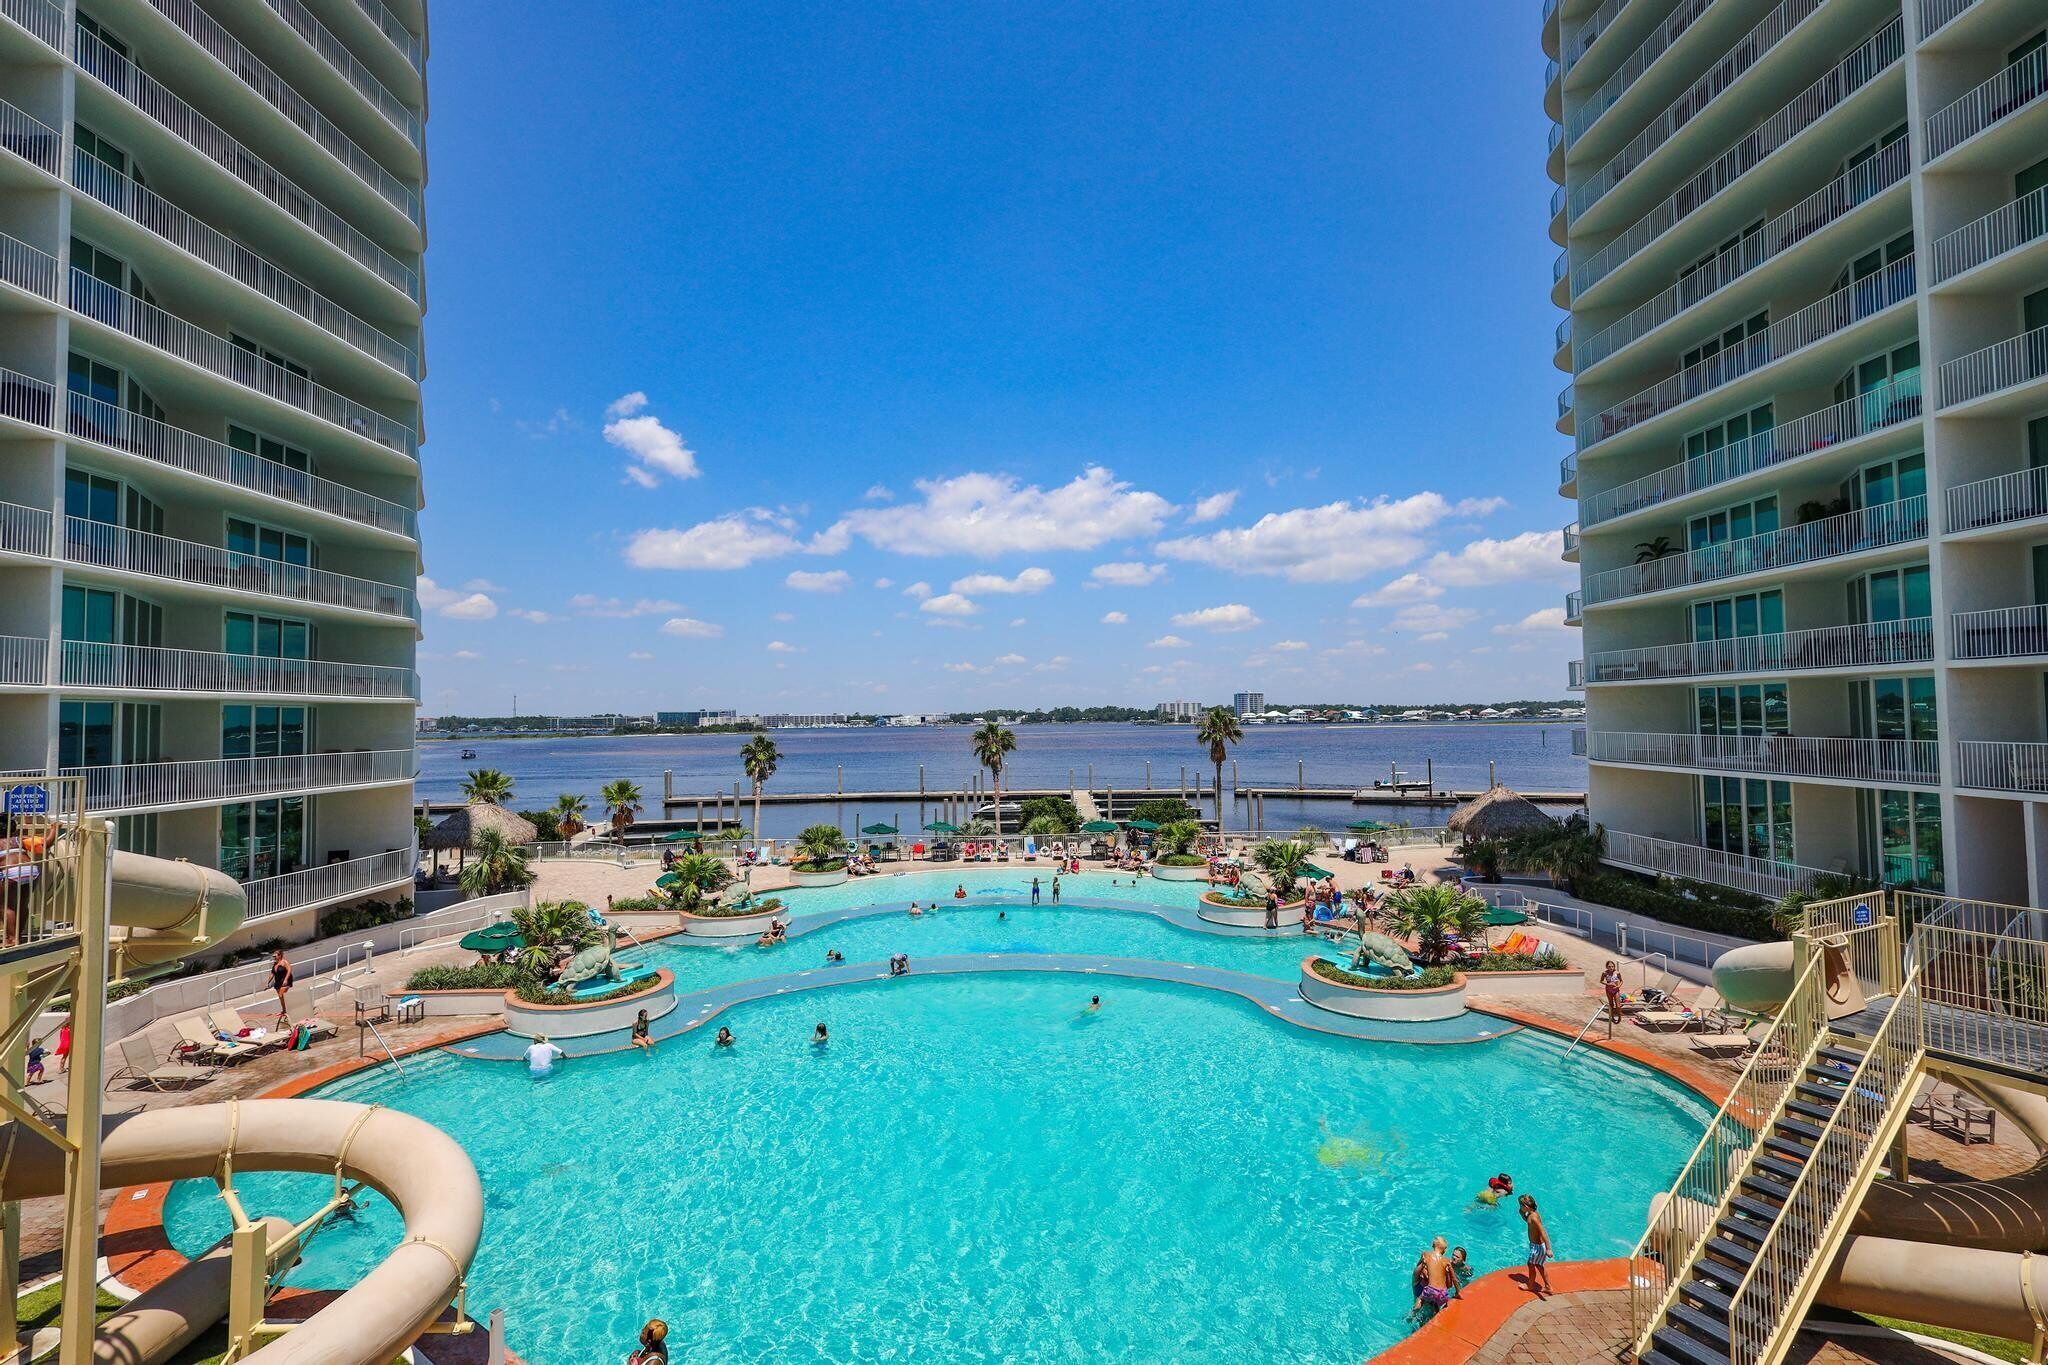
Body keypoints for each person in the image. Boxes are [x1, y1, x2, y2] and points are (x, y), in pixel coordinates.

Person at [1413, 1236, 1458, 1316]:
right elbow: (1452, 1281)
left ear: (1433, 1245)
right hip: (1440, 1293)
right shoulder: (1444, 1261)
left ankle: (1412, 1315)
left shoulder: (1427, 1256)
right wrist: (1458, 1292)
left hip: (1429, 1291)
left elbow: (1449, 1284)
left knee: (1424, 1304)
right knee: (1435, 1307)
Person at [1519, 1195, 1552, 1296]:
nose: (1519, 1207)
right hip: (1537, 1246)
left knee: (1530, 1264)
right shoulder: (1532, 1214)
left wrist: (1549, 1248)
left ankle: (1530, 1285)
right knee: (1539, 1265)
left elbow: (1543, 1232)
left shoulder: (1534, 1217)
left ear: (1526, 1206)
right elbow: (1529, 1222)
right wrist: (1522, 1214)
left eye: (1521, 1205)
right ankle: (1548, 1286)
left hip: (1537, 1247)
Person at [268, 950, 294, 1025]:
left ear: (280, 955)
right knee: (281, 997)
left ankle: (287, 1010)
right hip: (278, 982)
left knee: (281, 995)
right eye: (273, 956)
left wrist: (286, 979)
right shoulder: (275, 964)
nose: (274, 957)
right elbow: (272, 973)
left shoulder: (284, 962)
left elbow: (289, 970)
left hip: (286, 981)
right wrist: (268, 982)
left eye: (275, 956)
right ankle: (284, 1010)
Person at [1601, 961, 1624, 1038]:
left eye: (1612, 966)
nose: (1611, 968)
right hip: (1608, 990)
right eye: (1609, 966)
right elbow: (1601, 981)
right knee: (1611, 1004)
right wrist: (1607, 984)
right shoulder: (1605, 973)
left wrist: (1618, 986)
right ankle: (1612, 1017)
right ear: (1607, 967)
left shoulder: (1617, 973)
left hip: (1616, 990)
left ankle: (1619, 1016)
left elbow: (1621, 981)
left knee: (1618, 1005)